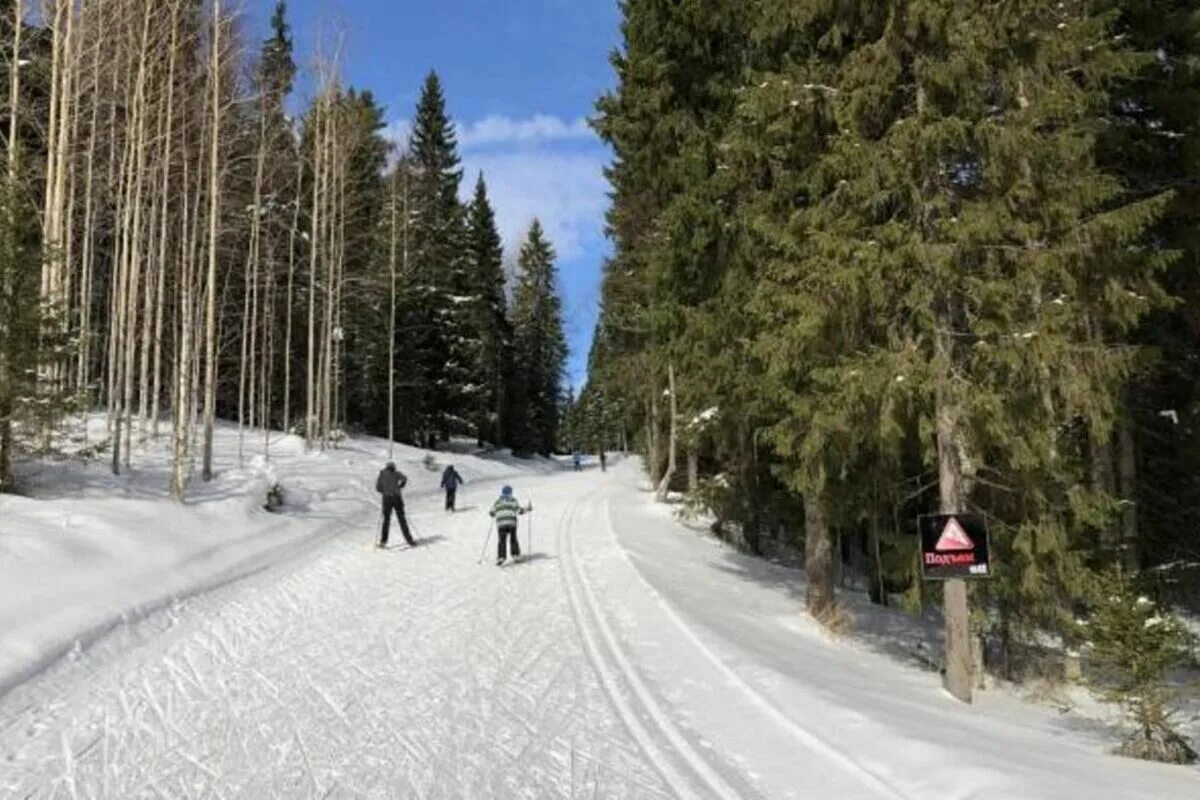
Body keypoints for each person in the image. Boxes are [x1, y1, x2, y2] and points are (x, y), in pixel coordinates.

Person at [375, 461, 416, 549]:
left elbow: (378, 488)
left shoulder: (382, 474)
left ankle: (383, 541)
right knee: (402, 519)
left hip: (387, 499)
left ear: (386, 467)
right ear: (393, 467)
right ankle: (409, 540)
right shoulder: (396, 473)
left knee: (386, 520)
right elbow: (405, 478)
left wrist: (385, 491)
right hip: (397, 498)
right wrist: (401, 486)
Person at [489, 485, 530, 566]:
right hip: (511, 522)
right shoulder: (513, 500)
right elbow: (519, 511)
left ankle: (501, 557)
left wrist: (494, 514)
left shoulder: (497, 502)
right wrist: (527, 509)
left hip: (501, 523)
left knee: (502, 540)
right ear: (511, 493)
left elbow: (492, 512)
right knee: (513, 538)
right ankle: (515, 555)